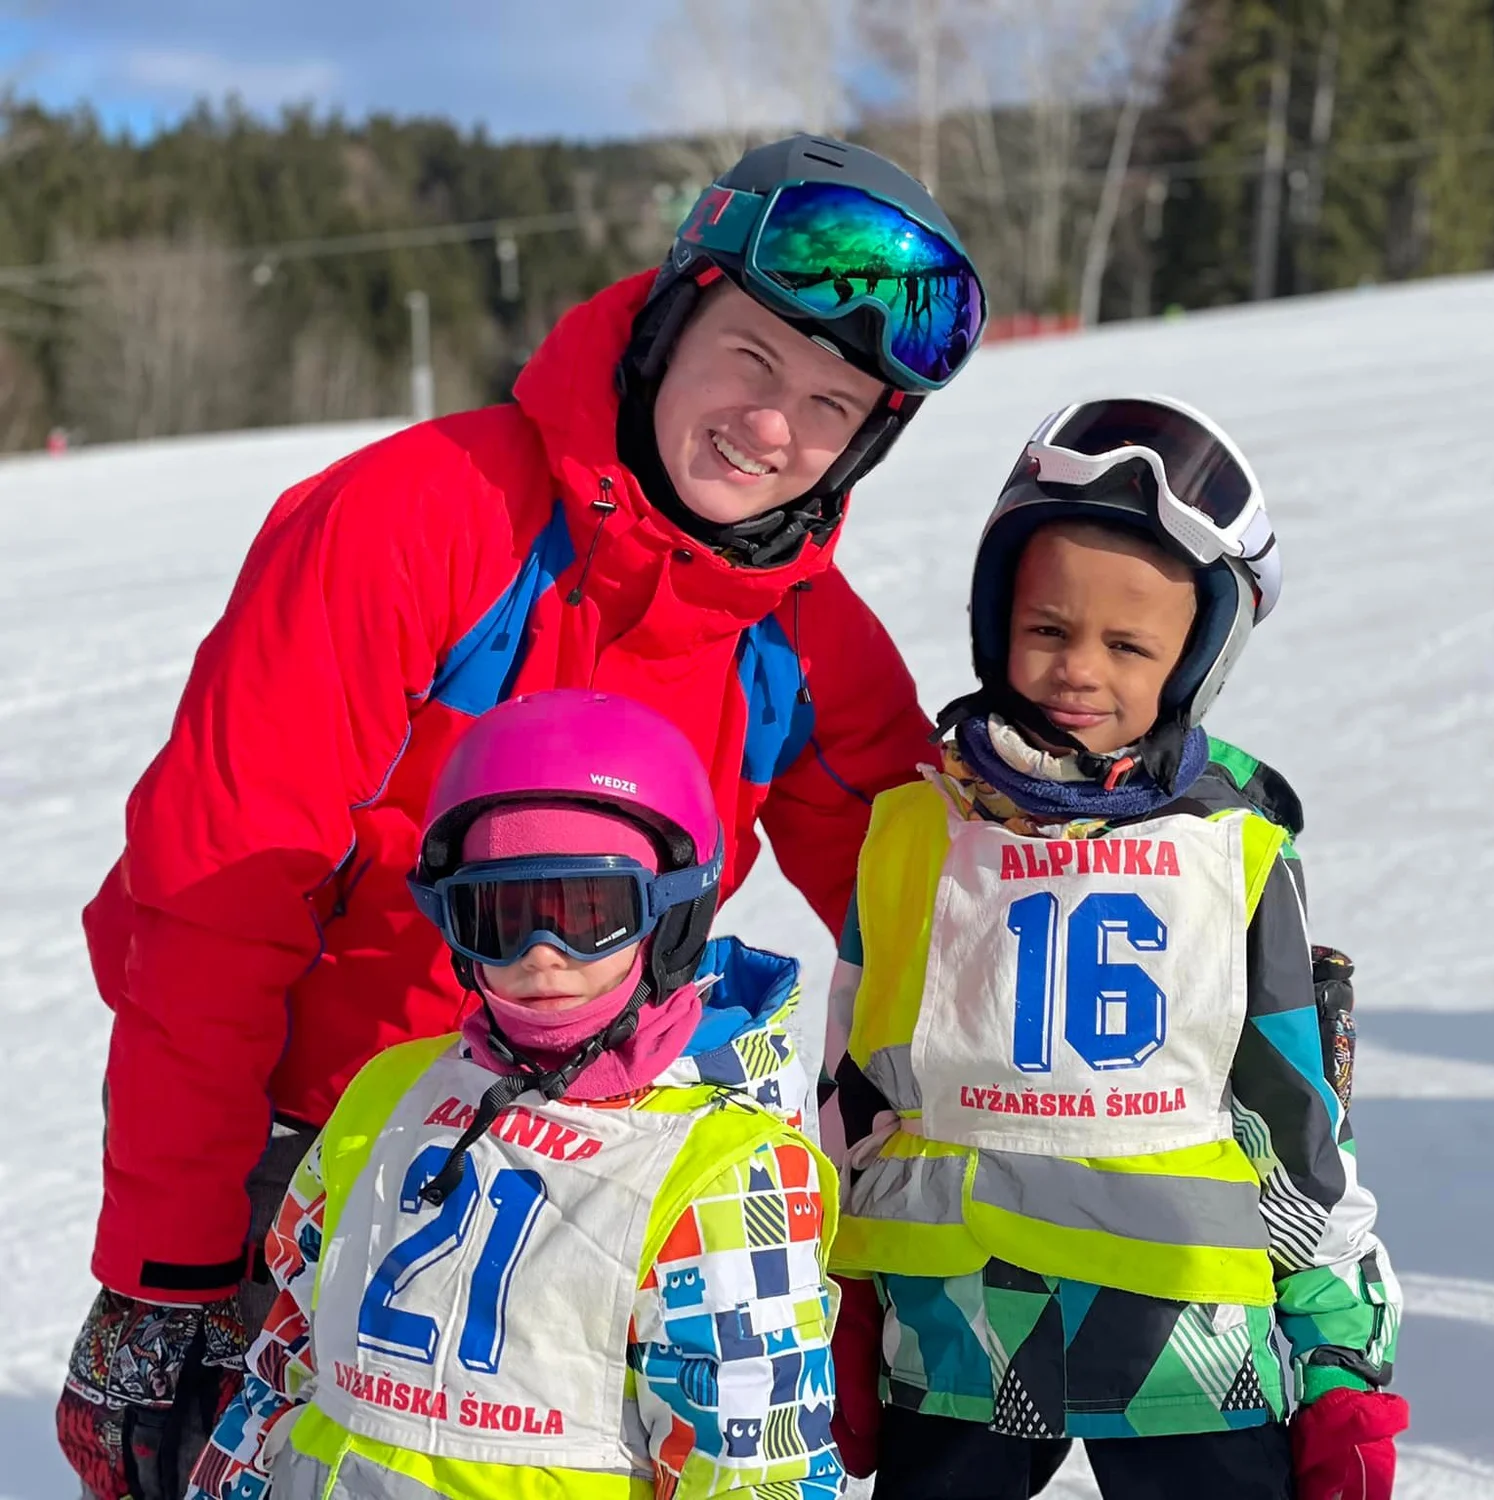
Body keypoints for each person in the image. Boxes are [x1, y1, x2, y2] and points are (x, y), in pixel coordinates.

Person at [58, 133, 985, 1500]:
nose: (773, 427)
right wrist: (168, 1267)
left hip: (595, 1170)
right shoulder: (417, 519)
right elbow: (215, 899)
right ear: (669, 321)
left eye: (832, 405)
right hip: (316, 1153)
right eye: (751, 357)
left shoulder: (801, 635)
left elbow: (930, 916)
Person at [819, 397, 1409, 1500]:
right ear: (996, 622)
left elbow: (1294, 1120)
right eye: (1048, 630)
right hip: (957, 1332)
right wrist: (839, 1287)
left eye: (1127, 645)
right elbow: (858, 1085)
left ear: (1192, 662)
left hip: (1183, 1337)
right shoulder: (912, 832)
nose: (1077, 670)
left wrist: (1339, 1347)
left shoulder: (1231, 849)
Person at [183, 688, 842, 1499]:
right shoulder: (392, 1094)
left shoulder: (718, 1172)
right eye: (499, 917)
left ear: (672, 915)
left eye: (589, 913)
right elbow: (286, 1360)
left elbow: (756, 1471)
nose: (541, 953)